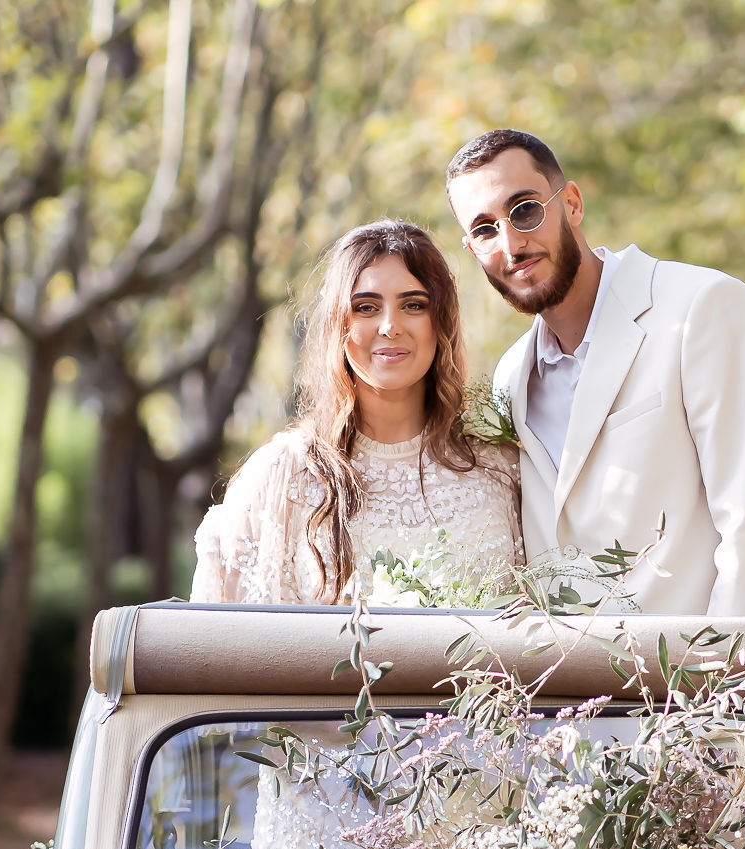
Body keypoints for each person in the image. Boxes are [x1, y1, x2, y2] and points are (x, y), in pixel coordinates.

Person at [444, 128, 745, 618]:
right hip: (571, 691)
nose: (511, 243)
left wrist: (722, 687)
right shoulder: (511, 376)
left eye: (525, 209)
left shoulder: (702, 309)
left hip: (697, 684)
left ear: (571, 203)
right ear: (471, 249)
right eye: (485, 229)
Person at [189, 219, 522, 605]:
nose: (390, 326)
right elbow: (228, 648)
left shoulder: (499, 468)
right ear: (339, 323)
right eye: (366, 307)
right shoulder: (282, 477)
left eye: (413, 305)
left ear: (440, 321)